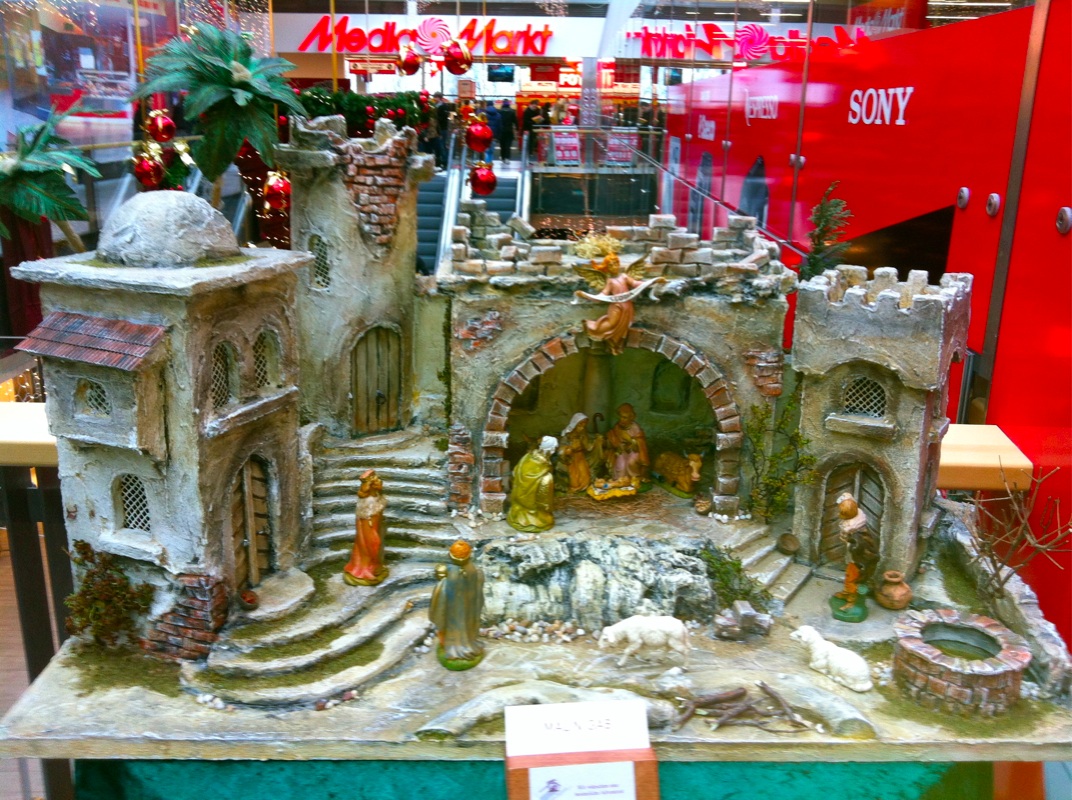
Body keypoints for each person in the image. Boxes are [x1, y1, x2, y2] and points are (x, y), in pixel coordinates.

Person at [429, 539, 485, 670]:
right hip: (468, 611)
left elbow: (441, 595)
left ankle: (454, 647)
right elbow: (478, 590)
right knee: (467, 623)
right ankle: (469, 643)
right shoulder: (473, 570)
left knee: (453, 627)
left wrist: (440, 584)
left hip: (452, 614)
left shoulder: (450, 573)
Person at [833, 492, 880, 611]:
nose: (838, 514)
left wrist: (850, 544)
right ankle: (846, 592)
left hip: (860, 560)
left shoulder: (855, 532)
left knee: (853, 579)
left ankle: (852, 601)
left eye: (841, 513)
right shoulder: (857, 517)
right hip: (854, 557)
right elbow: (847, 496)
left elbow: (858, 548)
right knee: (849, 575)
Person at [343, 470, 389, 586]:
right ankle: (364, 569)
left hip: (375, 515)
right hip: (366, 518)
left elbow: (379, 489)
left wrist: (375, 484)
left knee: (376, 541)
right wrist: (367, 484)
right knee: (370, 542)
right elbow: (362, 494)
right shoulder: (365, 488)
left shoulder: (377, 483)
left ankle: (374, 566)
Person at [506, 436, 557, 532]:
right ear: (549, 450)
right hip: (528, 500)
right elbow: (518, 472)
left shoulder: (528, 456)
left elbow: (515, 472)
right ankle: (533, 515)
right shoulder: (540, 465)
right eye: (553, 448)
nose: (554, 451)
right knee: (547, 479)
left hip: (520, 495)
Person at [605, 403, 649, 484]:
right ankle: (620, 480)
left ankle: (634, 479)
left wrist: (629, 439)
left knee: (631, 462)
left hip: (634, 451)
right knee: (621, 465)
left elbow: (640, 443)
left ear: (631, 417)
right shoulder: (617, 426)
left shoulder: (635, 427)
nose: (622, 419)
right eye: (620, 417)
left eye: (624, 417)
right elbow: (613, 437)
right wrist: (616, 444)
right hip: (622, 451)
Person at [558, 413, 602, 493]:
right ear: (574, 425)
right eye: (580, 426)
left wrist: (596, 442)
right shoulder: (567, 435)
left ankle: (583, 488)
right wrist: (568, 449)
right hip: (570, 459)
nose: (582, 428)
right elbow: (561, 448)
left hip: (580, 457)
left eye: (584, 426)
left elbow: (588, 447)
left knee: (585, 478)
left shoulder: (583, 435)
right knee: (574, 482)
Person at [483, 100, 501, 164]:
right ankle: (490, 164)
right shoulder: (498, 115)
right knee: (491, 151)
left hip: (485, 135)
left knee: (486, 151)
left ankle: (486, 164)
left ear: (487, 105)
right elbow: (499, 126)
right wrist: (498, 136)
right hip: (494, 135)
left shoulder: (484, 115)